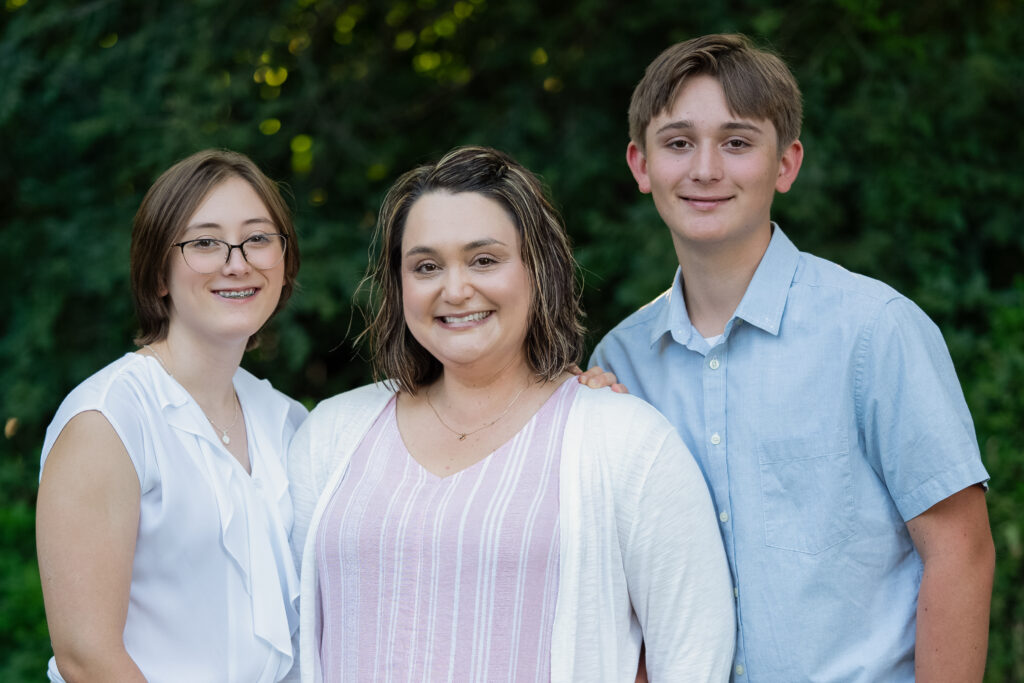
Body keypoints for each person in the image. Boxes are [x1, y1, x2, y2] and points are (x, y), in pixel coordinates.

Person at [590, 33, 995, 681]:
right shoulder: (620, 363)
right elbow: (627, 593)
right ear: (641, 165)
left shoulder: (875, 331)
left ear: (786, 164)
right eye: (678, 142)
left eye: (738, 141)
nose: (705, 169)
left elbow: (961, 548)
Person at [287, 145, 735, 682]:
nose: (455, 290)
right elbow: (283, 637)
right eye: (426, 266)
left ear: (537, 270)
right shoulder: (333, 434)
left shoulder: (626, 442)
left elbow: (695, 656)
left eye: (484, 260)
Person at [36, 149, 307, 682]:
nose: (237, 261)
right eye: (204, 242)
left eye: (258, 238)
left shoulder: (287, 422)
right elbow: (87, 659)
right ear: (158, 274)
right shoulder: (108, 420)